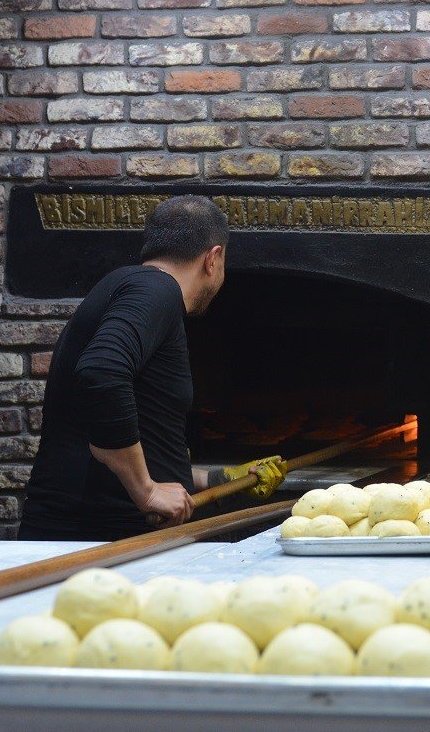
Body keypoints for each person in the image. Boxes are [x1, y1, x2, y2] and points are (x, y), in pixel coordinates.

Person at [19, 196, 287, 542]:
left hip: (102, 538)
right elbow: (102, 372)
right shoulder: (155, 290)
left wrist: (218, 480)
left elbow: (132, 442)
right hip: (95, 544)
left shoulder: (134, 287)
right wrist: (145, 491)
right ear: (213, 258)